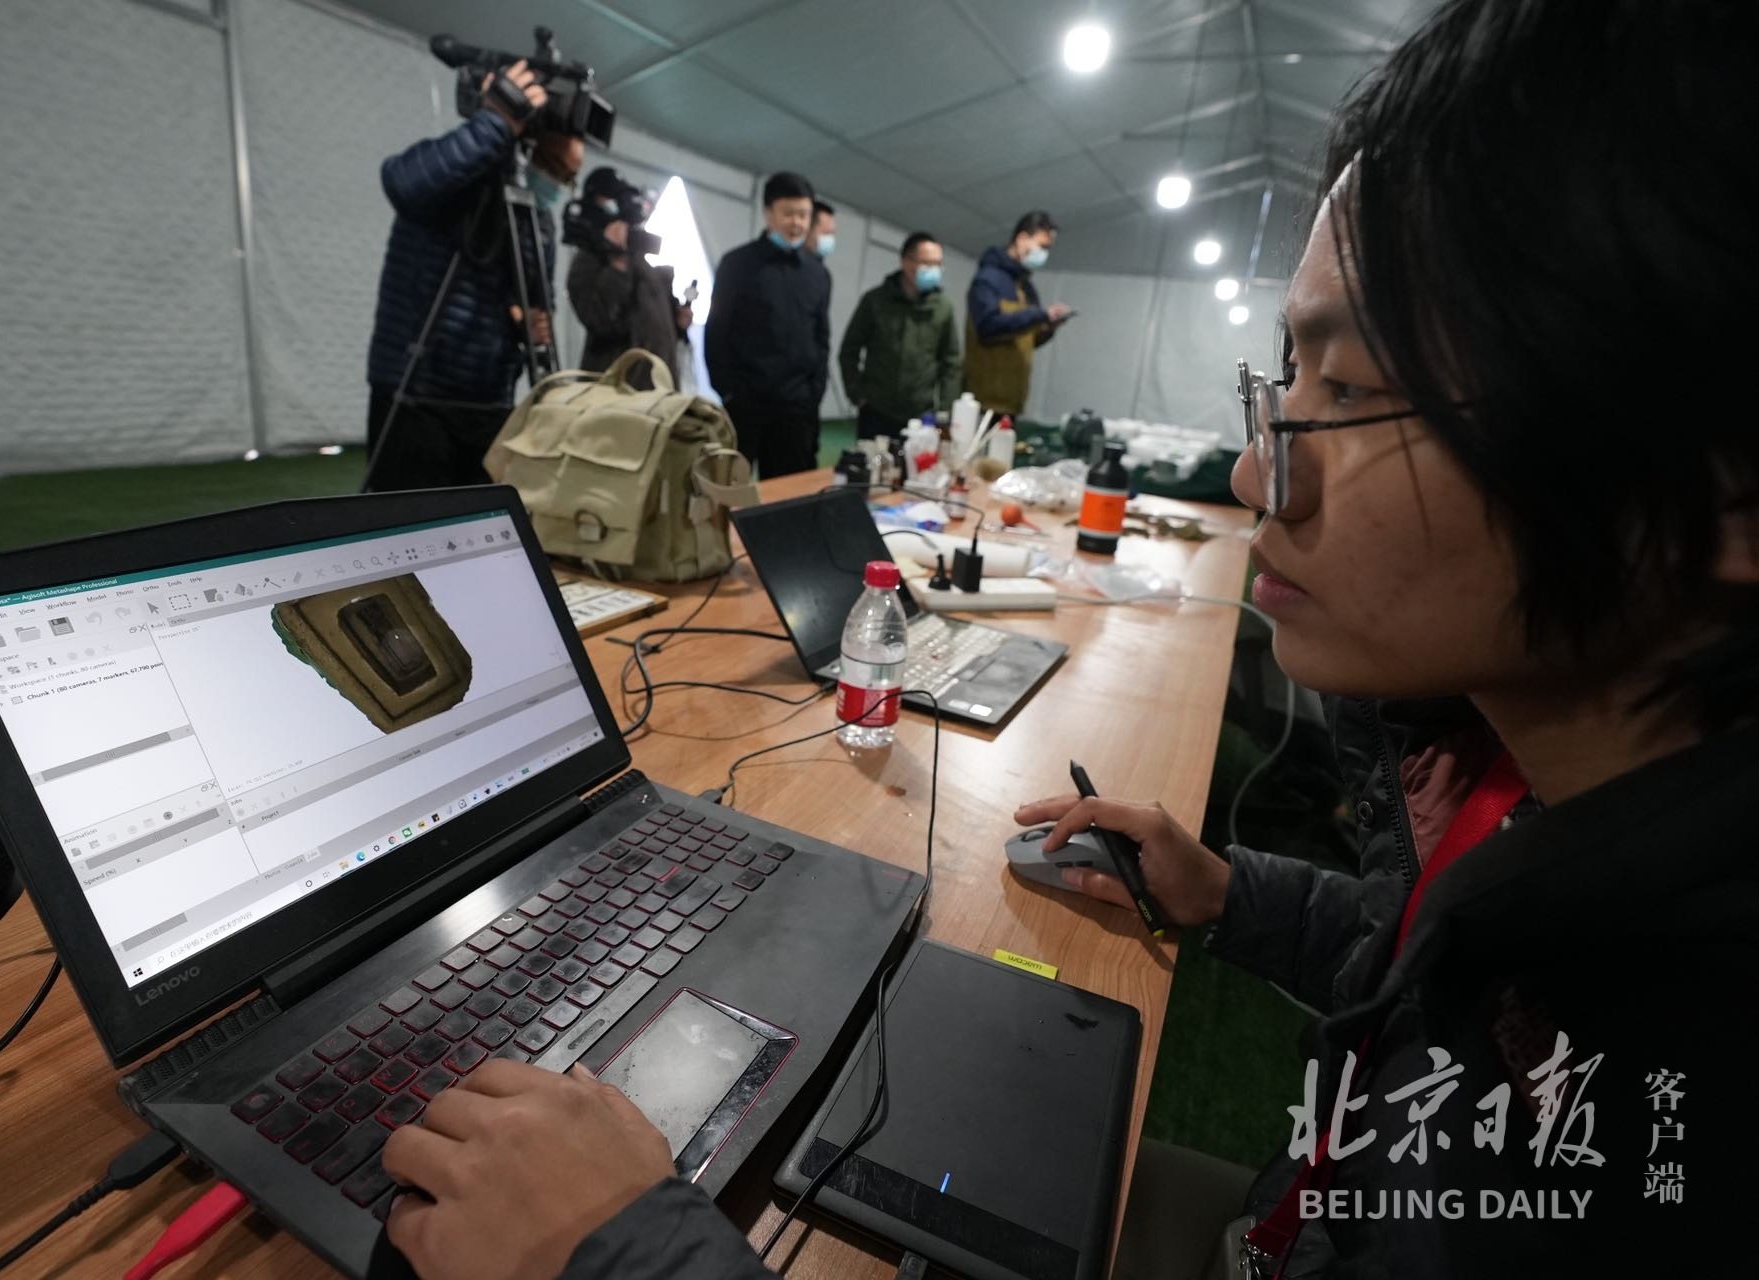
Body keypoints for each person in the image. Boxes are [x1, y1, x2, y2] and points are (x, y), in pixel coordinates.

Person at [372, 3, 1759, 1277]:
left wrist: (625, 1255)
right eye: (1288, 382)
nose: (1257, 474)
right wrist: (1231, 893)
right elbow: (1437, 942)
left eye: (1350, 389)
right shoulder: (1537, 794)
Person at [364, 61, 582, 492]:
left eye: (569, 177)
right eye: (555, 167)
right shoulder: (453, 180)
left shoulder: (536, 220)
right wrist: (496, 121)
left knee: (483, 521)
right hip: (415, 394)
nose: (558, 183)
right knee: (406, 520)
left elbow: (537, 301)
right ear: (526, 145)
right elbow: (402, 181)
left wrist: (532, 323)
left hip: (489, 402)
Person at [704, 172, 831, 478]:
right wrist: (729, 391)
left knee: (790, 494)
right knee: (730, 489)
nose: (797, 223)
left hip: (796, 408)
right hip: (745, 403)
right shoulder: (737, 265)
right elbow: (717, 332)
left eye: (804, 215)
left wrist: (812, 393)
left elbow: (821, 338)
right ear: (768, 213)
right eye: (788, 213)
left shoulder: (818, 274)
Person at [566, 167, 688, 388]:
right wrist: (617, 263)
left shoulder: (640, 262)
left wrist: (677, 323)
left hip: (657, 393)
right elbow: (599, 318)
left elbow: (650, 323)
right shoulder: (589, 260)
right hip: (616, 396)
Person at [838, 231, 961, 440]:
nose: (933, 270)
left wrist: (945, 410)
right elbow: (849, 350)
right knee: (874, 459)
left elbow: (951, 363)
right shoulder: (875, 301)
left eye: (938, 264)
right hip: (876, 411)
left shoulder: (943, 308)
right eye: (927, 263)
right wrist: (857, 393)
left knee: (915, 461)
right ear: (905, 261)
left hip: (920, 415)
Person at [962, 210, 1070, 418]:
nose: (1044, 255)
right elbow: (988, 328)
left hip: (1012, 402)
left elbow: (1027, 340)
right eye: (1042, 246)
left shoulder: (1026, 287)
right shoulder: (988, 280)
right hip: (983, 402)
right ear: (1021, 238)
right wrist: (1038, 316)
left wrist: (1047, 328)